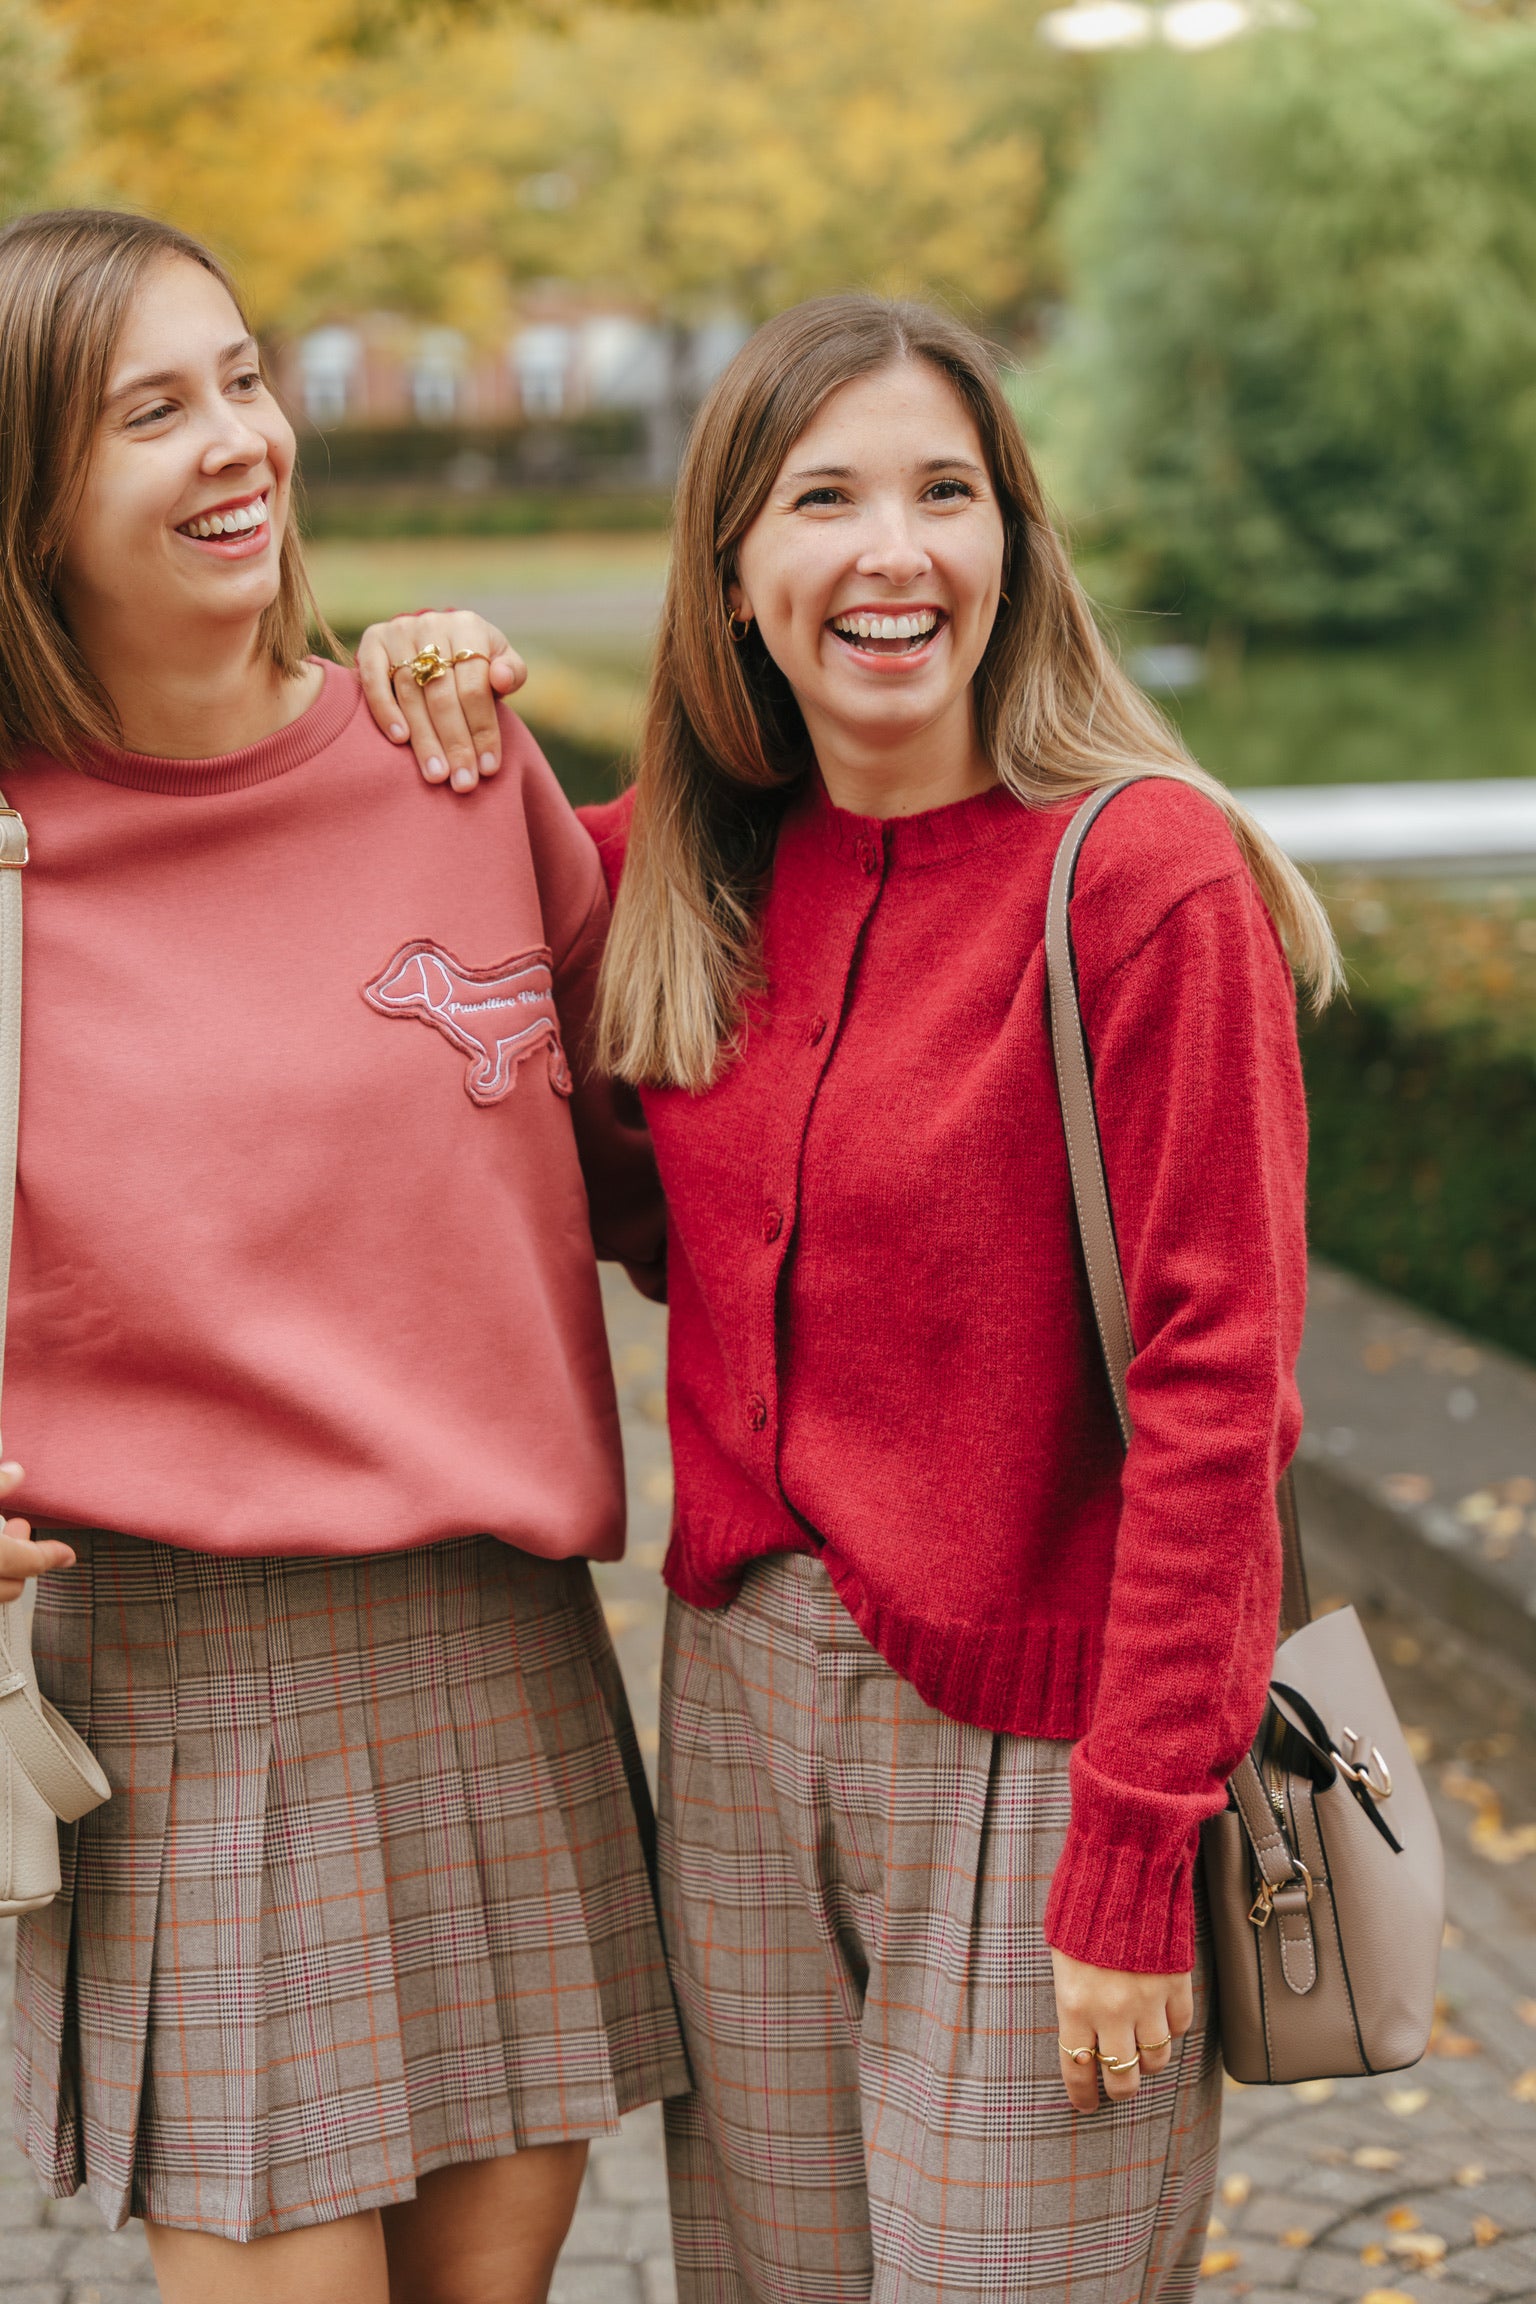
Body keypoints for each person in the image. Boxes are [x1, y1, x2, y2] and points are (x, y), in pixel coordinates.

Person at [367, 292, 1339, 2304]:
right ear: (734, 572)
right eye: (824, 497)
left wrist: (1138, 1848)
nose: (891, 552)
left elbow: (1220, 1398)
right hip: (735, 1715)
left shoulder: (1143, 879)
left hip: (1041, 1731)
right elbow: (579, 1168)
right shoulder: (679, 878)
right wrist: (408, 680)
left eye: (945, 493)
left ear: (1011, 547)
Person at [0, 206, 687, 2304]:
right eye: (150, 413)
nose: (238, 444)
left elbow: (680, 1177)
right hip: (189, 1691)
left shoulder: (455, 764)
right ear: (29, 499)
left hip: (498, 1657)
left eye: (243, 380)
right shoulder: (7, 866)